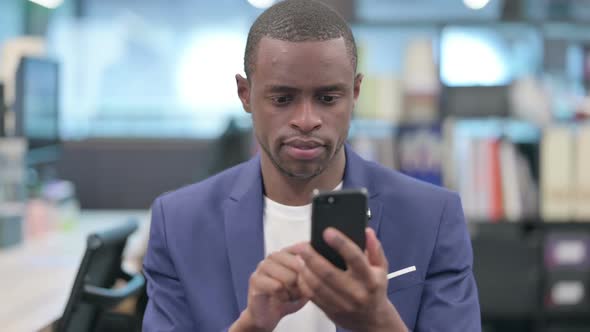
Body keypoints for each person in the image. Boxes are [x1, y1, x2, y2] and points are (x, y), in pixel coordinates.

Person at [142, 1, 481, 331]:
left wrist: (378, 322)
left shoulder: (431, 217)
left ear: (355, 92)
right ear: (245, 94)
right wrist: (251, 327)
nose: (306, 121)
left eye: (328, 98)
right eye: (282, 99)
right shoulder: (179, 224)